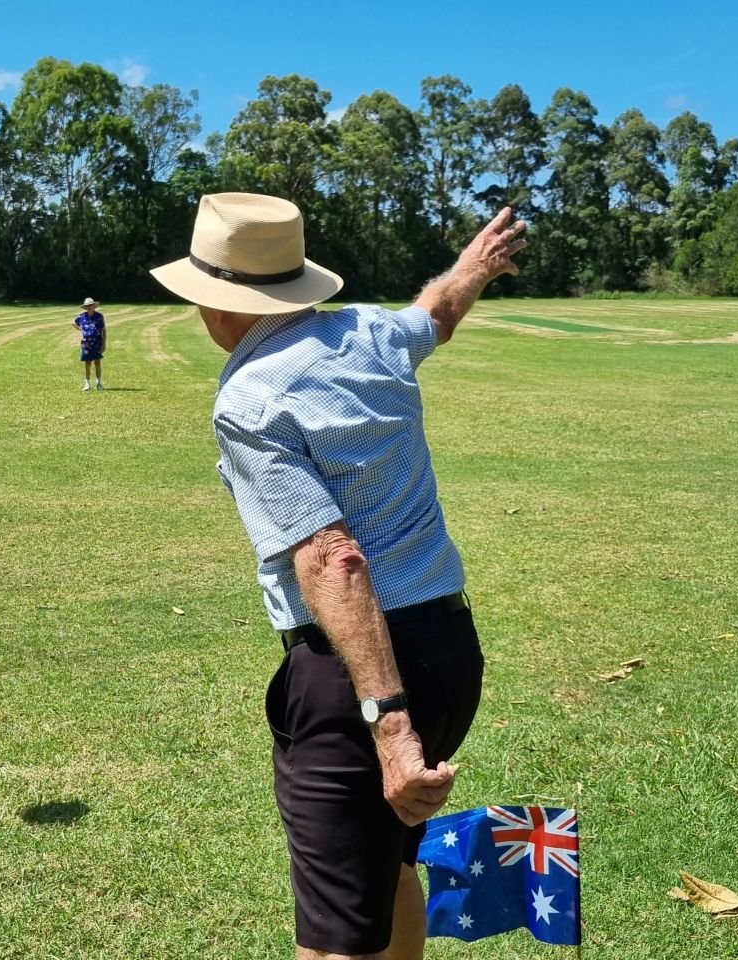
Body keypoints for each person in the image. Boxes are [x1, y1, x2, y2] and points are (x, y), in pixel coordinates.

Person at [149, 193, 527, 960]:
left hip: (356, 672)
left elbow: (331, 558)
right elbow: (437, 314)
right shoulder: (368, 332)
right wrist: (473, 267)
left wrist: (388, 727)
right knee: (388, 872)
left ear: (216, 303)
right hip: (450, 651)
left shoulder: (249, 398)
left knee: (332, 941)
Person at [74, 297, 106, 390]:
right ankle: (87, 384)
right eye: (87, 306)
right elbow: (74, 323)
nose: (89, 307)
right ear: (85, 307)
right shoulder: (81, 316)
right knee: (87, 363)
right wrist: (81, 330)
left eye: (91, 305)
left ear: (94, 306)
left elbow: (104, 330)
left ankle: (99, 383)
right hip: (86, 344)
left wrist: (104, 344)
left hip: (97, 343)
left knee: (97, 363)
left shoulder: (99, 316)